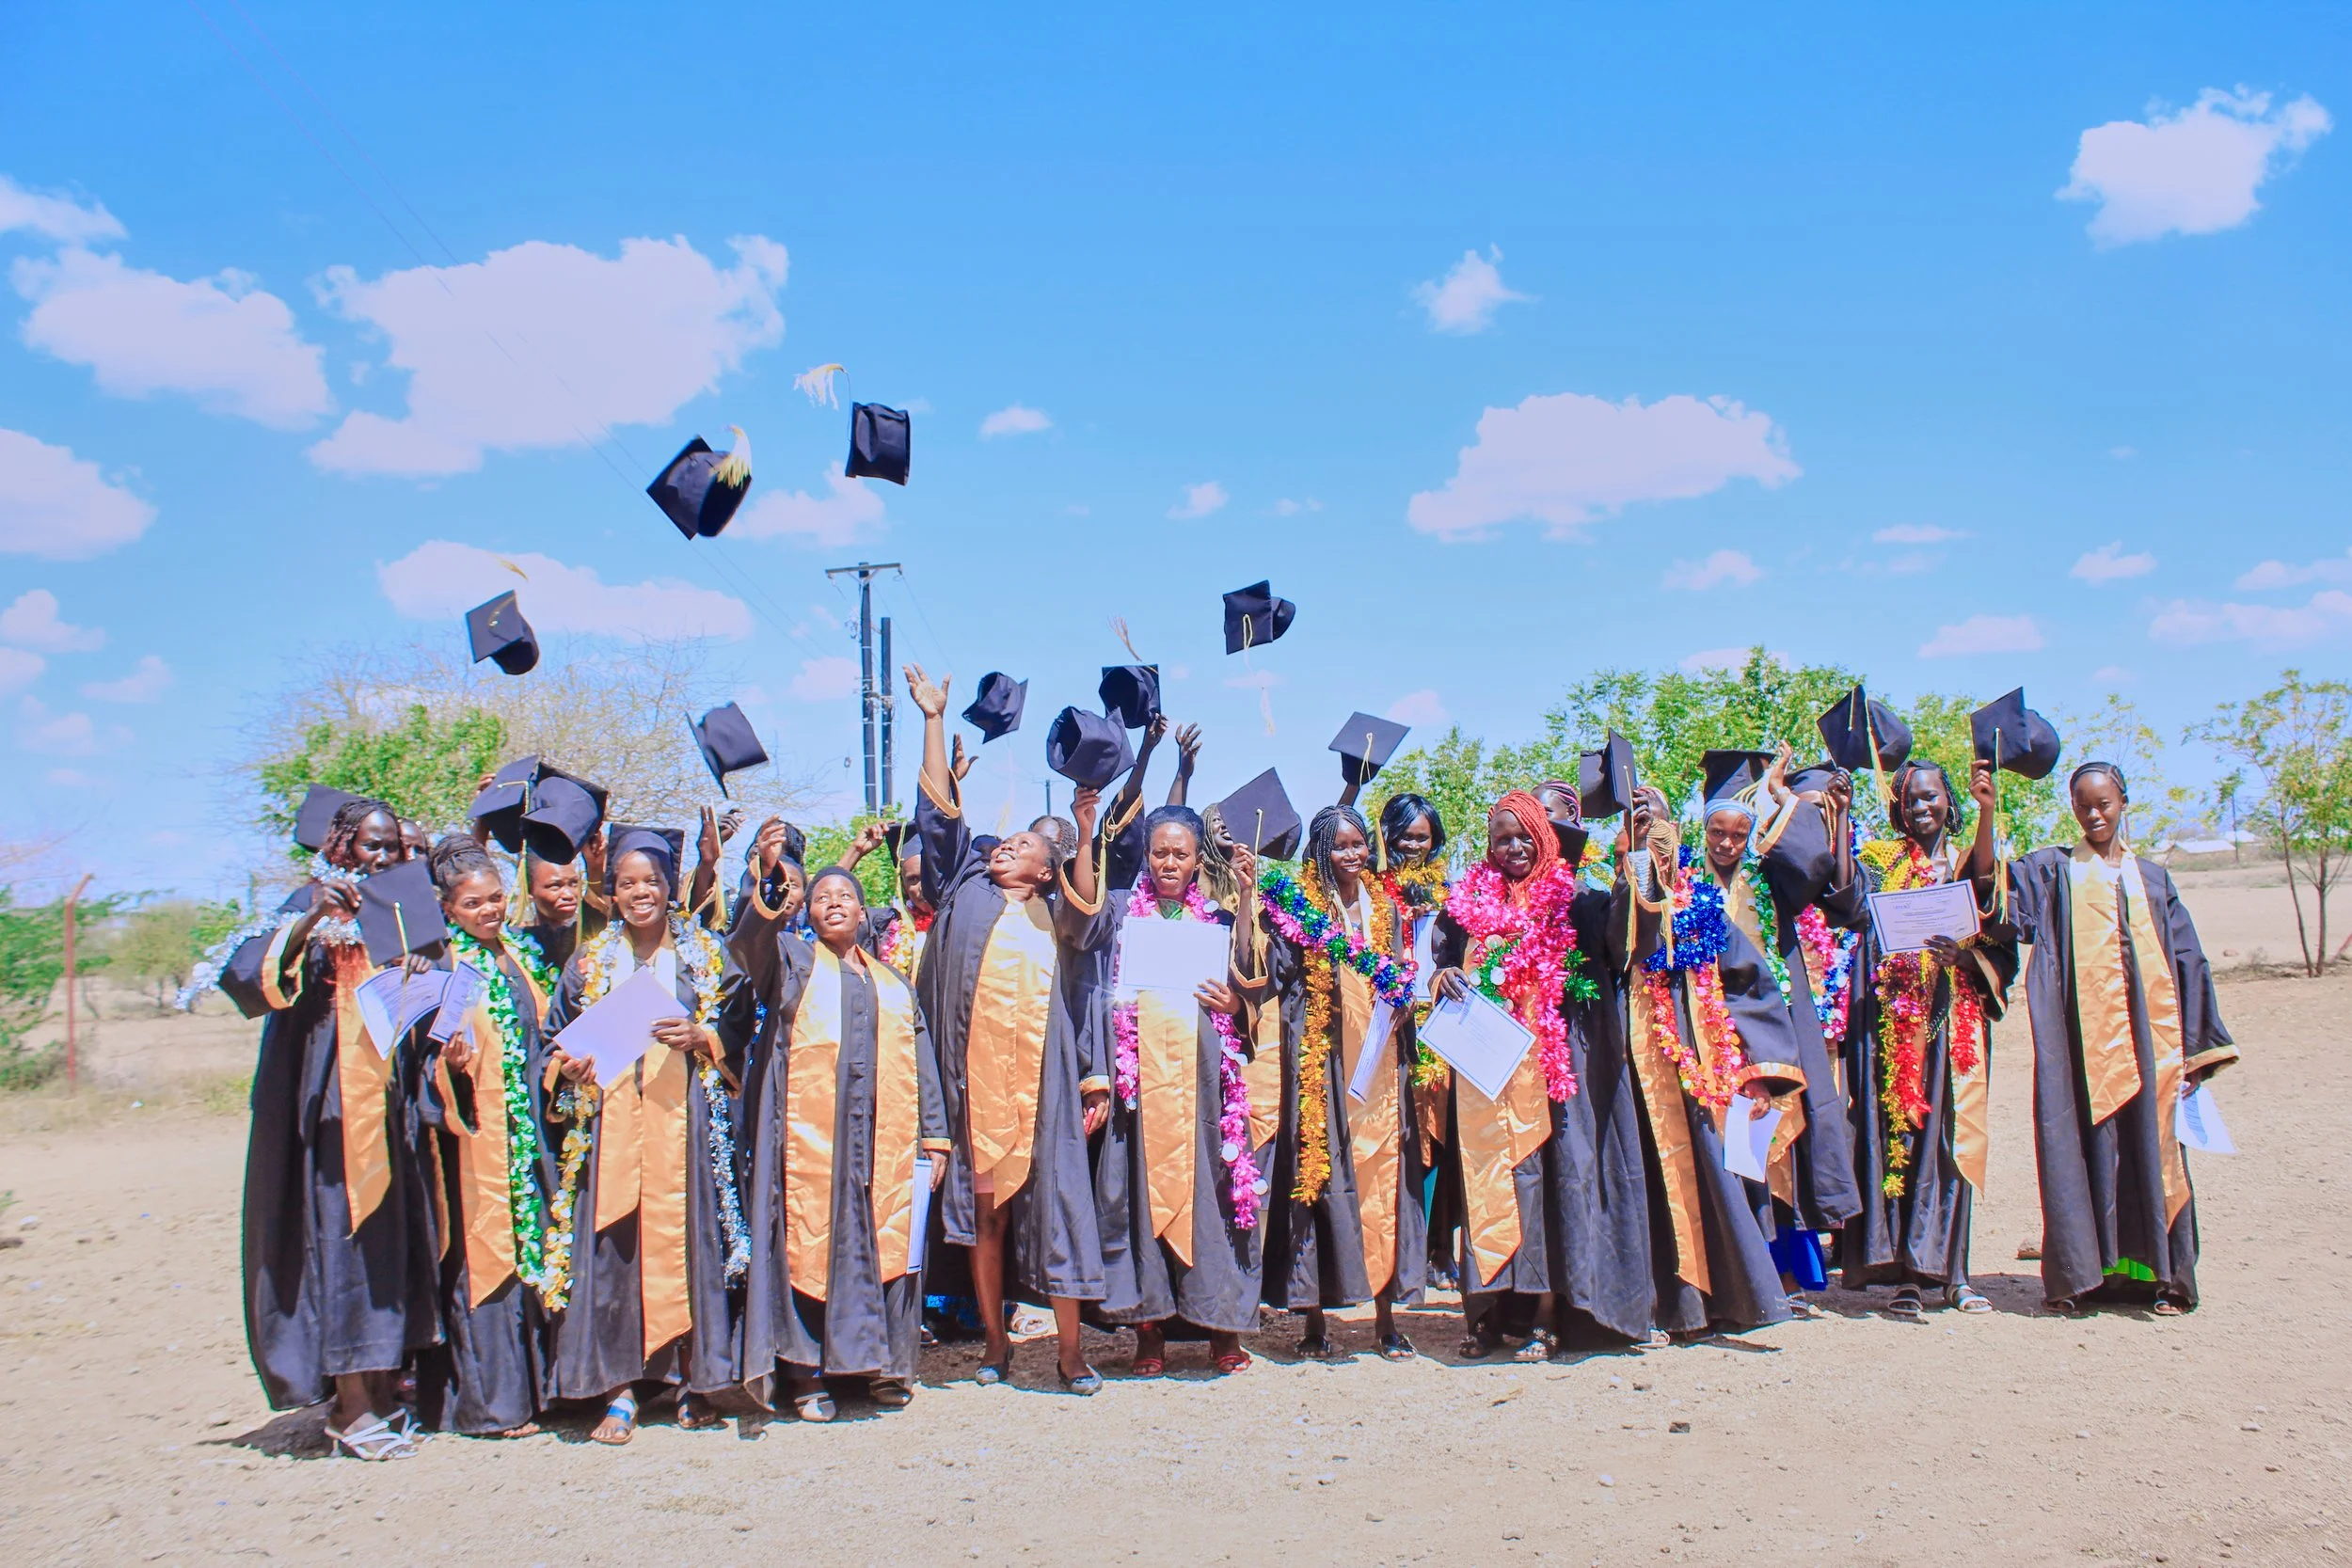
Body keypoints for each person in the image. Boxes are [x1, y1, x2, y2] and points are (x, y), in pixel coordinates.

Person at [899, 662, 1110, 1392]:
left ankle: (1070, 1352)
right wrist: (932, 716)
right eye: (1002, 845)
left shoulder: (1056, 912)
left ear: (1047, 870)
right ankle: (995, 1345)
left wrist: (1083, 832)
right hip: (975, 1085)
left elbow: (1090, 923)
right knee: (986, 1219)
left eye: (1020, 847)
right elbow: (938, 817)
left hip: (1042, 1088)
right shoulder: (966, 886)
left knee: (1056, 1216)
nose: (1003, 849)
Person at [216, 797, 441, 1459]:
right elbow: (248, 979)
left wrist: (424, 976)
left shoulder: (401, 911)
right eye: (371, 845)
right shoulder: (304, 901)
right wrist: (313, 916)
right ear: (340, 844)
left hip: (389, 1110)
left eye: (393, 847)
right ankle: (348, 1407)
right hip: (326, 1115)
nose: (382, 857)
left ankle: (380, 1389)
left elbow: (431, 1002)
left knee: (383, 1247)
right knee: (338, 1243)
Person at [2006, 760, 2238, 1315]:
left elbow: (2189, 962)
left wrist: (2197, 1051)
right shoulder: (2054, 872)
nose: (2094, 814)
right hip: (2081, 1048)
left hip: (2152, 1047)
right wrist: (1989, 809)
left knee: (2151, 1154)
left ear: (2123, 802)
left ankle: (2162, 1279)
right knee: (2083, 1152)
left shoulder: (2153, 879)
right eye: (2083, 805)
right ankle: (2086, 1278)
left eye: (2104, 803)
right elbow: (1998, 896)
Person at [1428, 791, 1654, 1358]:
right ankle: (1484, 1316)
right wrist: (1445, 977)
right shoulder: (1466, 903)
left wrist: (1638, 864)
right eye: (1502, 837)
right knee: (1489, 1184)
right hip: (1488, 1071)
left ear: (1544, 835)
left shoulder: (1575, 898)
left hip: (1555, 1073)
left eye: (1525, 834)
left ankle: (1548, 1317)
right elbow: (1437, 963)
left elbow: (1623, 943)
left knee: (1553, 1187)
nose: (1514, 847)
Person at [542, 828, 749, 1443]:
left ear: (670, 887)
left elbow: (738, 1021)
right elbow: (556, 1041)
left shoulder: (705, 957)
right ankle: (621, 1389)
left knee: (688, 1247)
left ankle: (692, 1378)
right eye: (627, 882)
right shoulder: (587, 962)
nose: (641, 892)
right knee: (617, 1252)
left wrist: (703, 1038)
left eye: (651, 881)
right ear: (613, 891)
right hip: (611, 1131)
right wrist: (569, 1068)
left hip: (683, 1129)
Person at [723, 865, 951, 1419]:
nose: (833, 904)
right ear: (809, 911)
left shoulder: (893, 982)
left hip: (885, 1139)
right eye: (822, 897)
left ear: (861, 909)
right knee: (810, 1244)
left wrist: (936, 1135)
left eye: (845, 896)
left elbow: (922, 1061)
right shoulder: (791, 963)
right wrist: (767, 896)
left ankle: (884, 1368)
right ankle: (805, 1375)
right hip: (812, 1142)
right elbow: (749, 947)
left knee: (888, 1242)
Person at [1065, 786, 1266, 1374]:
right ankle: (1149, 1328)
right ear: (1147, 857)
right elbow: (1080, 927)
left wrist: (1235, 1000)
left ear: (1198, 859)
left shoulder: (1221, 919)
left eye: (1180, 853)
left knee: (1218, 1194)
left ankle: (1221, 1328)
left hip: (1207, 1085)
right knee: (1137, 1198)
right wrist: (1085, 834)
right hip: (1143, 1082)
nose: (1169, 863)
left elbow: (1250, 984)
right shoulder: (1124, 912)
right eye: (1159, 853)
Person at [1612, 781, 1808, 1335]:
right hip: (1636, 1070)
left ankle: (1724, 1302)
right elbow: (1617, 946)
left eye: (1662, 830)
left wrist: (1760, 1071)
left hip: (1705, 1067)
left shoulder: (1702, 906)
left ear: (1678, 835)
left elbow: (1750, 986)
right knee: (1649, 1180)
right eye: (1642, 828)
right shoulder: (1617, 897)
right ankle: (1658, 1308)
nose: (1656, 841)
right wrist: (1631, 867)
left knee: (1718, 1174)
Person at [1837, 758, 2015, 1317]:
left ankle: (1956, 1274)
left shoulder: (1966, 863)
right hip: (1899, 1027)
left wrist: (1963, 956)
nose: (1921, 807)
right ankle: (1910, 1276)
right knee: (1905, 1144)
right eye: (1911, 799)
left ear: (1949, 801)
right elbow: (1845, 899)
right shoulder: (1883, 865)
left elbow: (1985, 886)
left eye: (1932, 796)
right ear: (1897, 807)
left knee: (1952, 1144)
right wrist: (1841, 822)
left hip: (1954, 1024)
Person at [415, 836, 575, 1437]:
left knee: (538, 1247)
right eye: (474, 903)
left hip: (532, 1134)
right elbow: (430, 1058)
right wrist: (449, 1063)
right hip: (481, 1139)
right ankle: (493, 1404)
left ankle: (543, 1393)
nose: (489, 911)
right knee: (488, 1257)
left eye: (495, 899)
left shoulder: (520, 954)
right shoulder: (449, 970)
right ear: (449, 909)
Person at [1259, 804, 1422, 1360]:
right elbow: (1278, 975)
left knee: (1382, 1179)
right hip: (1321, 1061)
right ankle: (1313, 1322)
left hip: (1378, 1061)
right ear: (1320, 851)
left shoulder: (1385, 908)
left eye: (1359, 845)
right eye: (1339, 846)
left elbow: (1400, 974)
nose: (1353, 855)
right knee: (1316, 1174)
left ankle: (1385, 1319)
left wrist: (1402, 1001)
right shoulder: (1299, 908)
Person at [1375, 792, 1457, 1291]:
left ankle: (1439, 1247)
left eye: (1422, 836)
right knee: (1402, 1135)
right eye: (1404, 834)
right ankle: (1400, 1246)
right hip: (1390, 1025)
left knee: (1441, 1137)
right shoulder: (1371, 889)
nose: (1413, 844)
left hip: (1441, 1025)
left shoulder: (1450, 893)